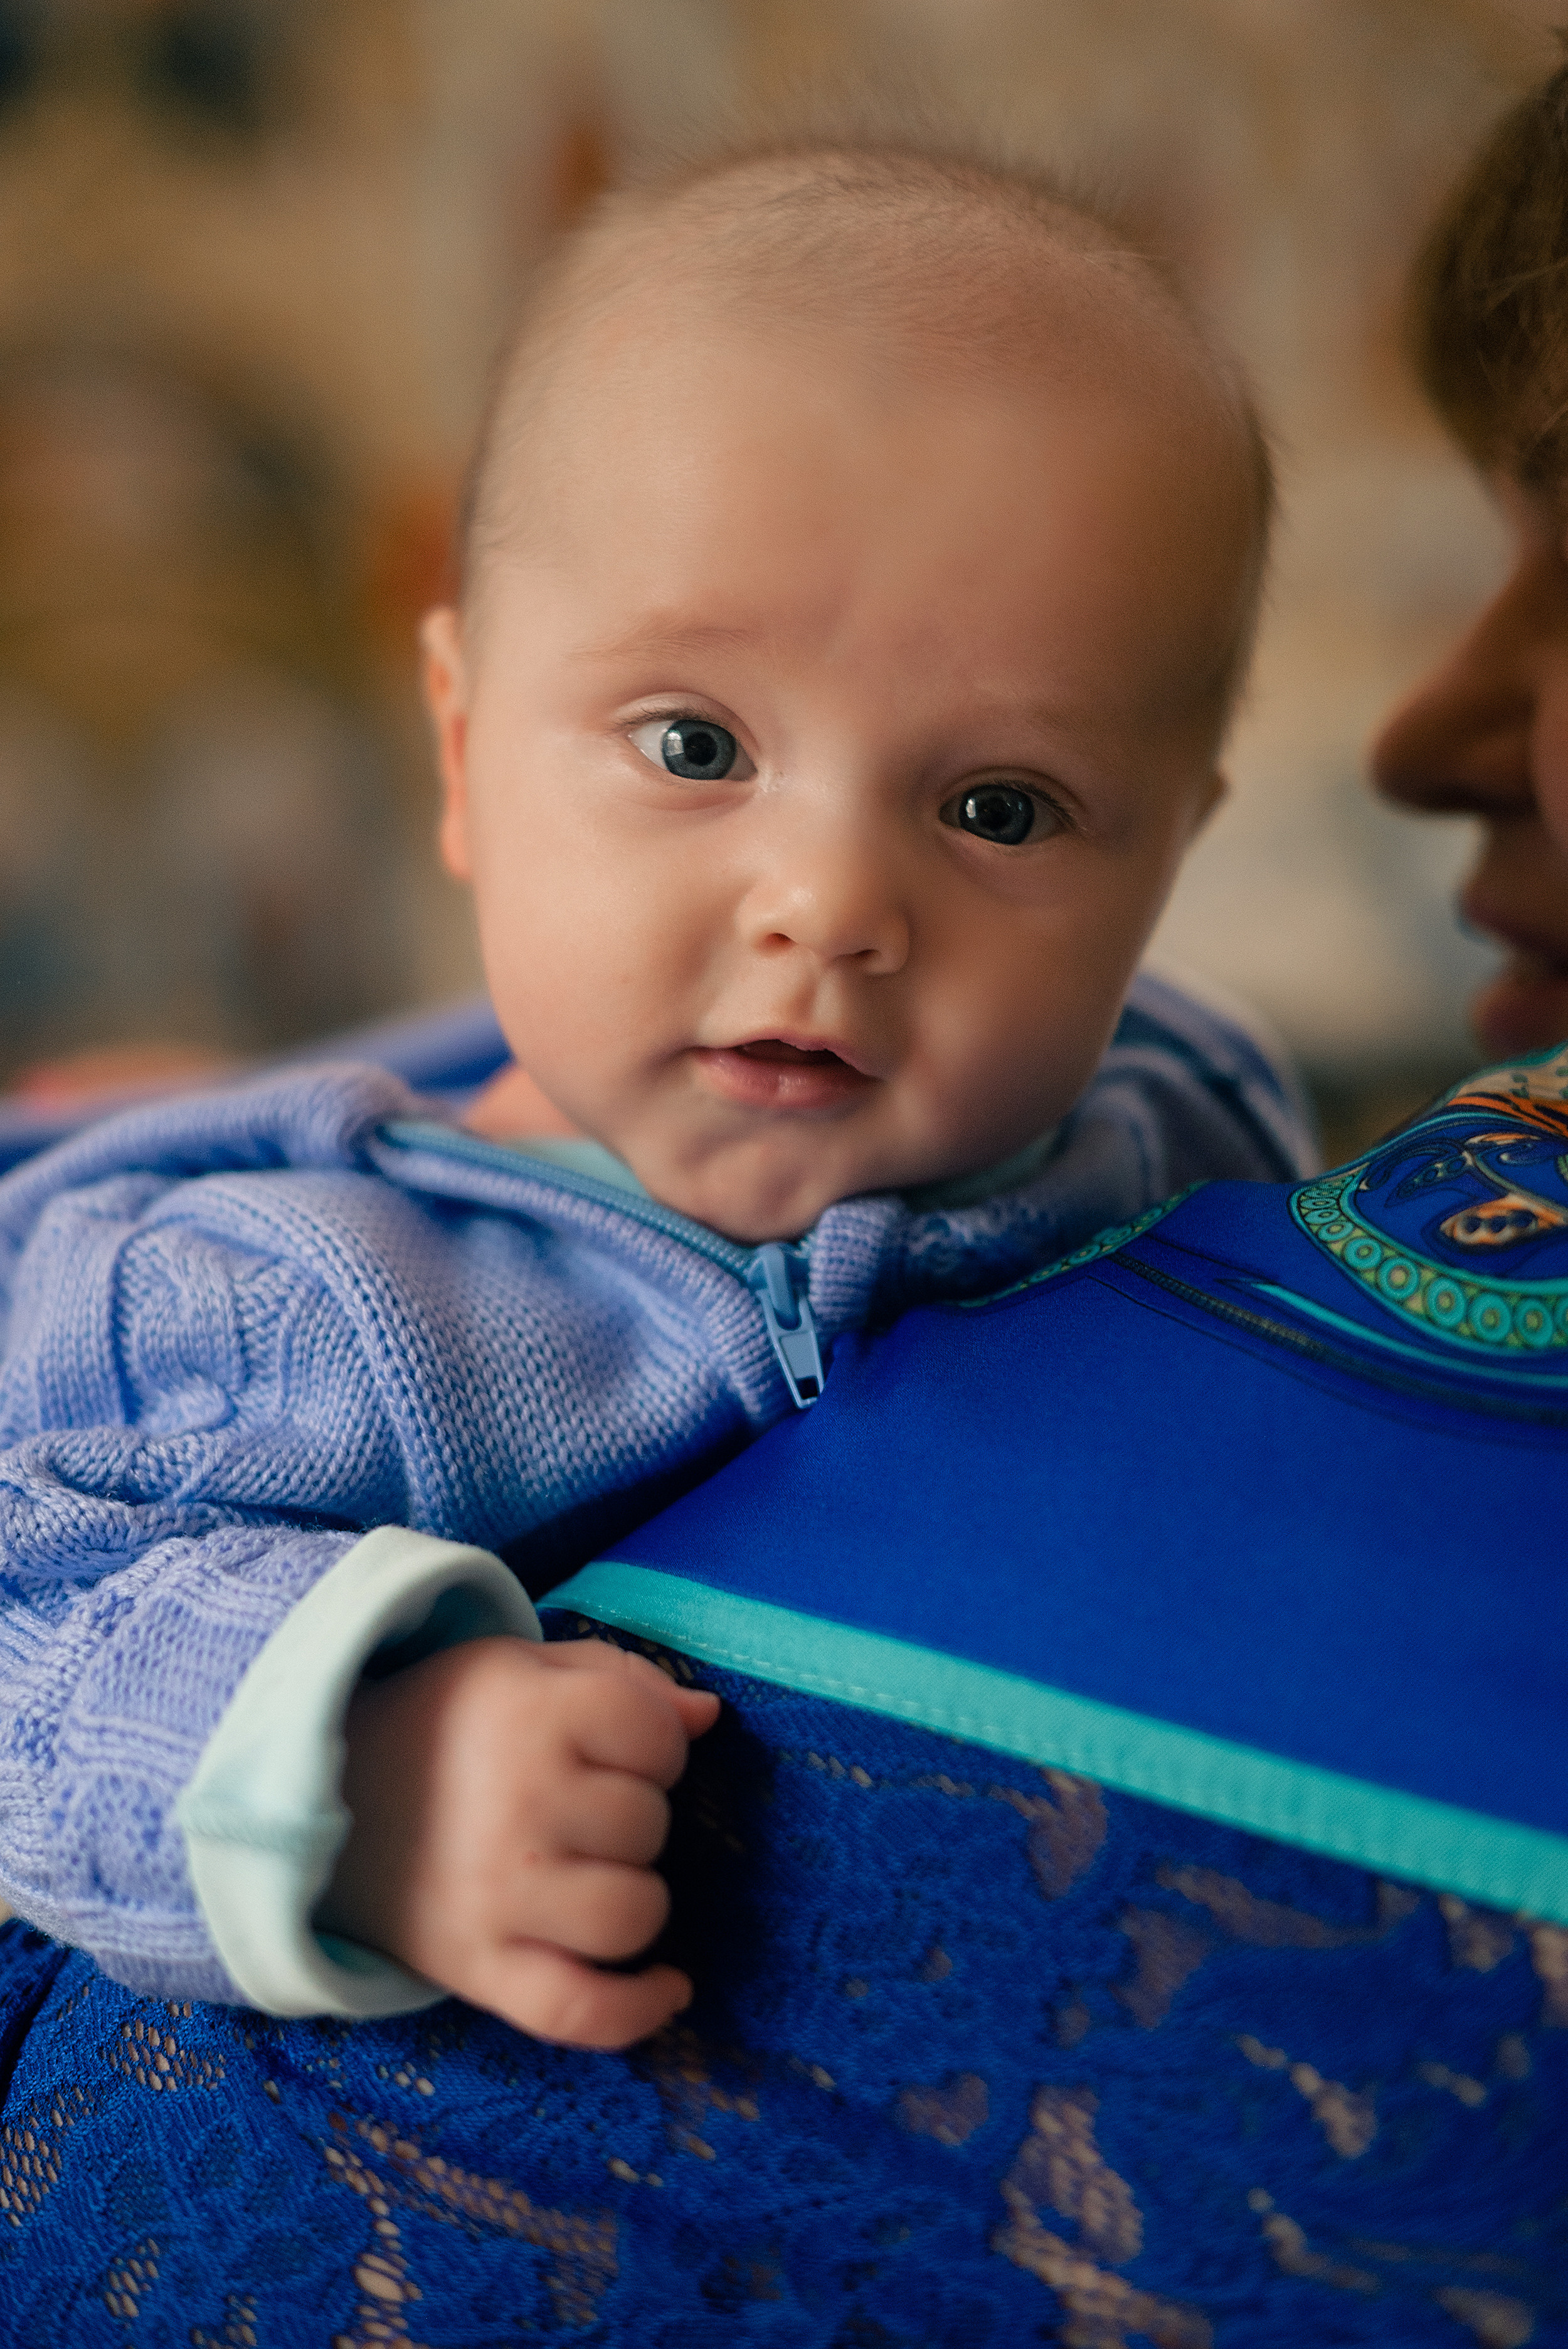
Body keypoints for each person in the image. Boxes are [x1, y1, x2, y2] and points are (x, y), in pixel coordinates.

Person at [0, 139, 1308, 2058]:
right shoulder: (293, 1311)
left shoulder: (1178, 1110)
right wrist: (361, 1769)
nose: (834, 905)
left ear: (1166, 855)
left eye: (1000, 808)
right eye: (696, 744)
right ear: (459, 750)